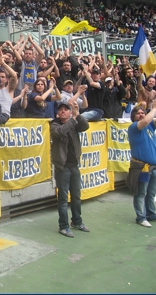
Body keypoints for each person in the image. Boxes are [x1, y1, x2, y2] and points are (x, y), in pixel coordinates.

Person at [50, 101, 90, 238]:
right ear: (57, 113)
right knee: (63, 198)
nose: (63, 111)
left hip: (74, 166)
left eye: (66, 109)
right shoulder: (54, 124)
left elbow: (85, 126)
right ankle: (63, 226)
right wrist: (73, 119)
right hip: (62, 167)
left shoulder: (74, 123)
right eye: (60, 109)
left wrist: (78, 114)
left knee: (76, 197)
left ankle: (77, 221)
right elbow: (60, 131)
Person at [127, 100, 156, 228]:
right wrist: (152, 109)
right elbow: (143, 122)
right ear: (133, 117)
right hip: (141, 167)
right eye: (138, 113)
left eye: (143, 113)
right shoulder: (133, 127)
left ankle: (151, 214)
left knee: (152, 193)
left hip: (153, 167)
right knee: (140, 193)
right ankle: (140, 217)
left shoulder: (150, 126)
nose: (141, 115)